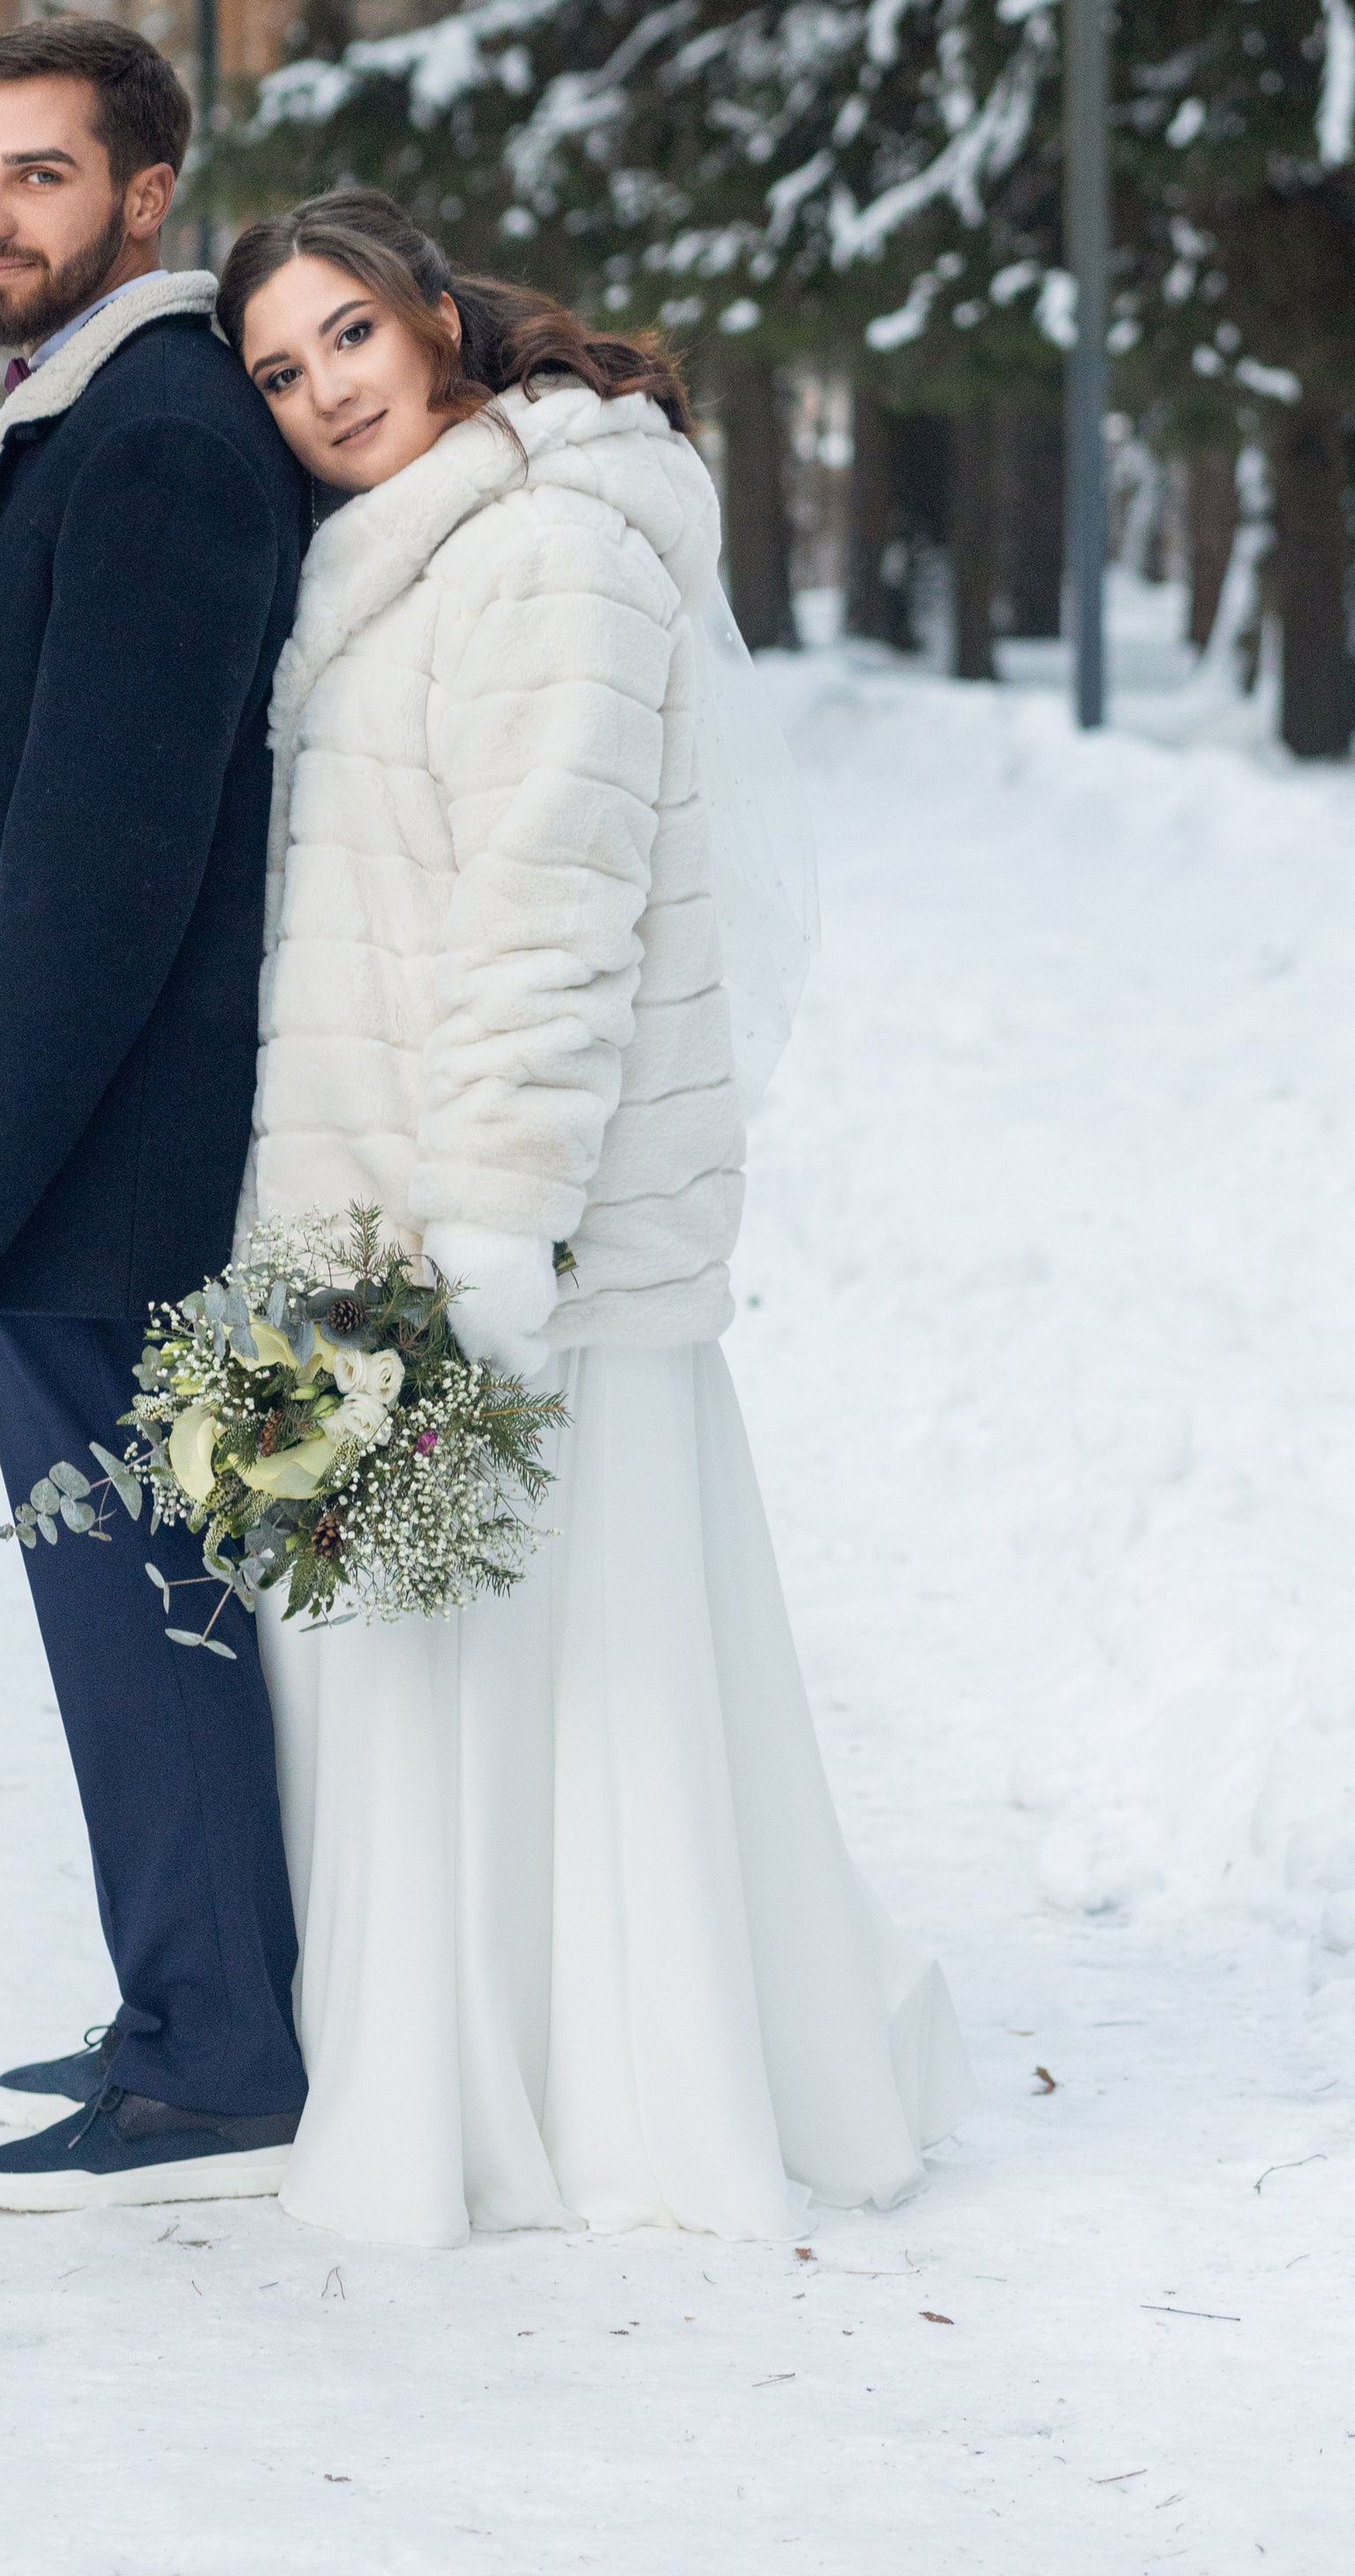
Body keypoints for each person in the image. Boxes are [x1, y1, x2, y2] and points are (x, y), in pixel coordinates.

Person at [218, 188, 975, 2245]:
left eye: (345, 341)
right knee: (450, 1679)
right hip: (395, 1198)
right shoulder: (414, 547)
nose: (319, 397)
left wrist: (488, 1231)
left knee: (549, 1679)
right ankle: (482, 2066)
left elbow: (549, 913)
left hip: (502, 1231)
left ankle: (595, 2097)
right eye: (280, 374)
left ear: (435, 314)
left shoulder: (543, 546)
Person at [0, 18, 312, 2212]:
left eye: (39, 175)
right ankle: (179, 1998)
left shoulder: (154, 438)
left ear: (146, 197)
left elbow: (102, 862)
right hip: (65, 1161)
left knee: (148, 1609)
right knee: (125, 1607)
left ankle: (221, 2049)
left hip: (97, 1175)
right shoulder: (93, 413)